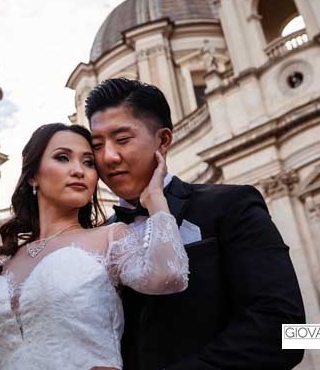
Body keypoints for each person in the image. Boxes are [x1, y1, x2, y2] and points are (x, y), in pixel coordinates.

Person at [86, 78, 305, 369]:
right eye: (97, 146)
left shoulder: (232, 205)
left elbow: (282, 330)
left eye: (122, 140)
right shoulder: (97, 239)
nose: (108, 157)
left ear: (163, 140)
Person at [0, 123, 188, 369]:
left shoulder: (110, 238)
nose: (79, 171)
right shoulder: (4, 262)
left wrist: (155, 198)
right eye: (63, 158)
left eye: (88, 163)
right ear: (33, 176)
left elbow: (170, 275)